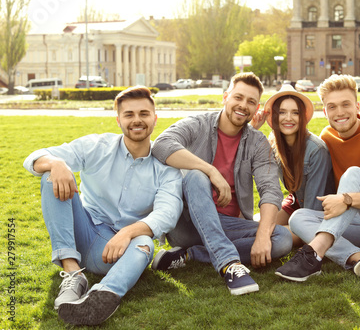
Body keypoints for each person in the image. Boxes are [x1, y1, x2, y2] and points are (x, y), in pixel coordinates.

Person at [23, 86, 183, 326]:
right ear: (118, 119)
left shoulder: (167, 168)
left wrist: (127, 233)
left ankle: (104, 295)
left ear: (154, 118)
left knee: (145, 242)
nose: (137, 120)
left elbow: (167, 213)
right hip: (82, 230)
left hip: (117, 252)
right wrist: (56, 163)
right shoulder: (97, 146)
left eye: (143, 113)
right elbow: (33, 158)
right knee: (50, 176)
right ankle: (72, 273)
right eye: (129, 114)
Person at [150, 72, 292, 295]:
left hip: (226, 224)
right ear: (226, 96)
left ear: (256, 108)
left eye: (251, 102)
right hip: (187, 224)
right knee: (196, 175)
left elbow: (271, 190)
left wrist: (263, 236)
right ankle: (229, 264)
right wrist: (210, 170)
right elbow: (161, 144)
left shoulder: (257, 142)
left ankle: (190, 254)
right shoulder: (199, 124)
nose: (243, 105)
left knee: (281, 238)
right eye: (238, 97)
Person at [275, 74, 360, 282]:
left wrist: (347, 200)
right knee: (299, 218)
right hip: (354, 223)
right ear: (325, 111)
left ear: (357, 106)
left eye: (345, 104)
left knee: (354, 174)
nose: (339, 112)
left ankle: (315, 252)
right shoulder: (327, 136)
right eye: (332, 107)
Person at [251, 84, 332, 246]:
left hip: (318, 214)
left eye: (295, 113)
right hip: (295, 203)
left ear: (302, 117)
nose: (288, 118)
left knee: (272, 235)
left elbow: (311, 212)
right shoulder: (274, 143)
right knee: (253, 226)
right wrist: (252, 129)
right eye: (282, 112)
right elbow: (245, 162)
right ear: (274, 116)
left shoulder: (316, 150)